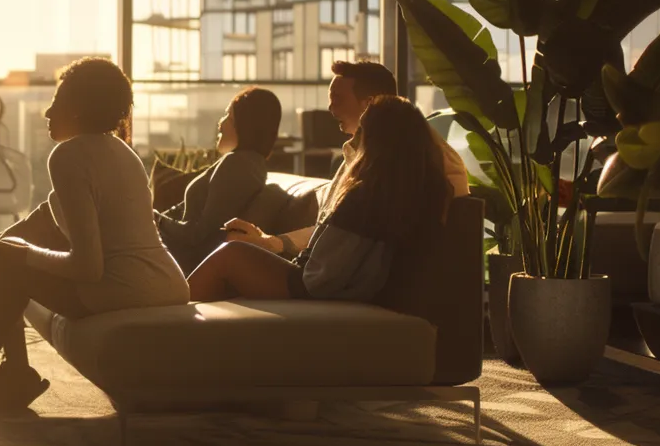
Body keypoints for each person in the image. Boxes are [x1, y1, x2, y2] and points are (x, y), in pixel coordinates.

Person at [0, 58, 190, 422]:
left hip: (125, 288)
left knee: (11, 266)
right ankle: (13, 373)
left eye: (57, 101)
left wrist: (25, 256)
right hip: (167, 283)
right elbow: (40, 222)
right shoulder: (123, 154)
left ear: (77, 109)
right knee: (16, 250)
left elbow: (87, 267)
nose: (47, 111)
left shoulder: (68, 155)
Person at [186, 95, 451, 303]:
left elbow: (321, 273)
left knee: (230, 255)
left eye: (363, 133)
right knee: (235, 259)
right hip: (328, 282)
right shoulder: (409, 191)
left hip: (309, 285)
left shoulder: (362, 197)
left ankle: (170, 323)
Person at [220, 61, 469, 259]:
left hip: (361, 278)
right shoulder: (368, 152)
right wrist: (273, 243)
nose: (330, 108)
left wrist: (274, 244)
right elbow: (336, 229)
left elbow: (345, 231)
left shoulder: (402, 160)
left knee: (230, 258)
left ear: (370, 104)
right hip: (342, 270)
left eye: (337, 98)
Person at [156, 86, 283, 273]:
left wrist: (156, 220)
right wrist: (152, 218)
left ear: (245, 126)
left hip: (181, 262)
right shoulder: (244, 163)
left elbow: (199, 236)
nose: (220, 123)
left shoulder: (239, 166)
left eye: (229, 117)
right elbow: (184, 211)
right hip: (174, 253)